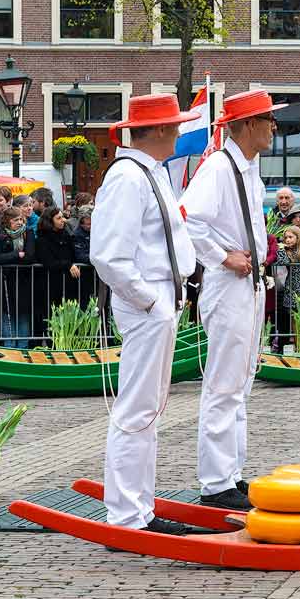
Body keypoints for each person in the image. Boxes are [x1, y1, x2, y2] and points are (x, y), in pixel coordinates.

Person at [91, 93, 200, 536]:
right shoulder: (129, 177)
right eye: (173, 126)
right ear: (156, 131)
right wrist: (151, 302)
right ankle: (128, 515)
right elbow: (109, 256)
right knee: (137, 410)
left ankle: (138, 508)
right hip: (148, 302)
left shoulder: (145, 172)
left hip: (156, 299)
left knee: (146, 410)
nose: (178, 132)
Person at [182, 89, 284, 511]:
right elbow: (189, 219)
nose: (273, 127)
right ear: (246, 126)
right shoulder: (221, 169)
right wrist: (223, 256)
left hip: (247, 284)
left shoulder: (243, 167)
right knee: (225, 384)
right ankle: (216, 482)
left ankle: (230, 474)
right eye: (267, 120)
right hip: (231, 284)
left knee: (238, 384)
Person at [0, 206, 35, 348]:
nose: (19, 222)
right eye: (15, 220)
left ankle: (23, 348)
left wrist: (12, 258)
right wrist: (16, 255)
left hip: (24, 280)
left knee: (23, 314)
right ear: (7, 221)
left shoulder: (28, 233)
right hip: (6, 280)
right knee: (7, 315)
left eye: (21, 219)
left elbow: (30, 256)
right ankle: (9, 347)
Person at [36, 206, 80, 317]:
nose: (63, 220)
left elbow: (73, 255)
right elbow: (48, 262)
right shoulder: (42, 239)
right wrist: (68, 265)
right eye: (59, 218)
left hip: (68, 283)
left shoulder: (66, 235)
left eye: (63, 217)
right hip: (50, 285)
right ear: (50, 221)